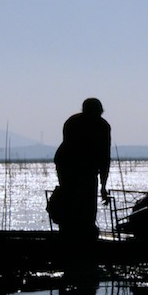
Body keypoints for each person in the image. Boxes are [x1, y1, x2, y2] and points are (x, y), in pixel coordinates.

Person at [53, 97, 111, 242]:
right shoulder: (100, 126)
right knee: (80, 199)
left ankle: (73, 231)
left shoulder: (73, 122)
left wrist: (103, 185)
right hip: (73, 166)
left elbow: (104, 158)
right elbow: (104, 157)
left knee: (75, 198)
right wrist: (103, 186)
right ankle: (78, 233)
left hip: (71, 166)